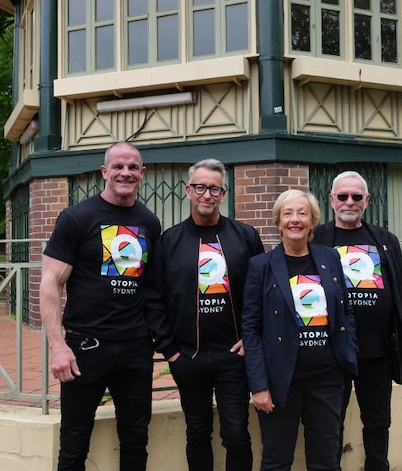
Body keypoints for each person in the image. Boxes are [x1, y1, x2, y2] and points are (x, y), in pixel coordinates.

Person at [39, 141, 163, 471]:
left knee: (136, 439)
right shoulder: (77, 217)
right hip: (85, 349)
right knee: (75, 441)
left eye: (133, 167)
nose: (126, 173)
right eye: (118, 167)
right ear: (105, 172)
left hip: (135, 349)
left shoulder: (149, 223)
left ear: (142, 174)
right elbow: (51, 282)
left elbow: (153, 286)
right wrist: (57, 345)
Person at [146, 158, 265, 471]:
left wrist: (251, 339)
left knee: (237, 434)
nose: (207, 194)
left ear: (223, 194)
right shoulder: (169, 242)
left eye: (214, 188)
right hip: (188, 357)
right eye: (200, 187)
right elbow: (154, 298)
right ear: (188, 190)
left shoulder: (246, 237)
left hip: (233, 357)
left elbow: (263, 294)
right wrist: (170, 350)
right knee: (197, 432)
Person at [241, 189, 358, 471]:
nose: (295, 220)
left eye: (302, 213)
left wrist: (349, 351)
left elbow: (346, 310)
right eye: (288, 214)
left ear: (312, 221)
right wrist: (259, 386)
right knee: (277, 461)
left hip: (328, 379)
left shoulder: (330, 258)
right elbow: (251, 327)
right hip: (282, 382)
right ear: (279, 221)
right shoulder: (261, 266)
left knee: (326, 460)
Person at [313, 171, 402, 471]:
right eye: (343, 196)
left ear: (367, 200)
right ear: (332, 199)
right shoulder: (317, 238)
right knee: (330, 424)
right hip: (332, 352)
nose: (350, 201)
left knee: (378, 421)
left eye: (356, 196)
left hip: (378, 351)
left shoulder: (385, 240)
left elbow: (400, 291)